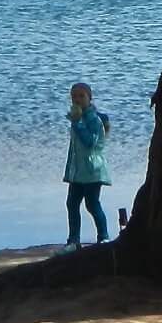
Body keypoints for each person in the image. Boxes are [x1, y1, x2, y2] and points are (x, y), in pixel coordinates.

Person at [63, 82, 111, 247]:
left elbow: (90, 142)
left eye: (81, 96)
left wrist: (78, 123)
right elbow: (75, 148)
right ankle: (73, 240)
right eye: (74, 96)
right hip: (77, 172)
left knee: (92, 204)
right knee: (72, 203)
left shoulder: (93, 119)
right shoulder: (78, 117)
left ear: (90, 98)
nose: (77, 100)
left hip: (92, 171)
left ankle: (104, 237)